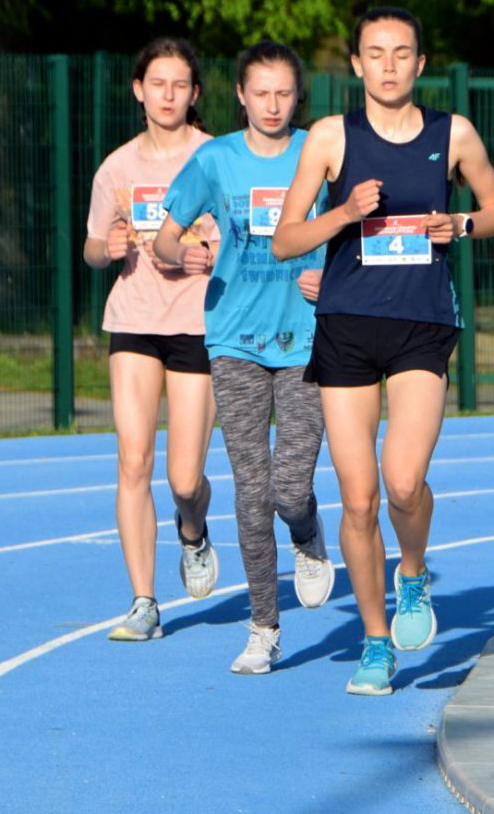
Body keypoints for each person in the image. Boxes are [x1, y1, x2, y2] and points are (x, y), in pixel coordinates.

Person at [272, 7, 494, 695]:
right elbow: (286, 239)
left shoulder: (452, 133)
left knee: (403, 480)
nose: (387, 65)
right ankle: (377, 641)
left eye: (401, 52)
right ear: (355, 64)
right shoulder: (328, 136)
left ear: (421, 63)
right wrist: (343, 214)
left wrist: (461, 222)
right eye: (374, 53)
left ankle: (413, 574)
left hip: (421, 323)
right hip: (346, 322)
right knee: (357, 498)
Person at [154, 40, 335, 675]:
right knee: (250, 492)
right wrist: (187, 256)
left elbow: (361, 227)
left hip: (308, 337)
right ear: (239, 95)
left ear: (297, 97)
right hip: (233, 340)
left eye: (284, 93)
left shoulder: (319, 151)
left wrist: (333, 276)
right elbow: (166, 240)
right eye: (260, 92)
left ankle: (309, 533)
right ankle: (264, 627)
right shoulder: (215, 159)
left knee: (289, 488)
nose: (272, 105)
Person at [84, 37, 220, 642]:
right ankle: (143, 601)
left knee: (184, 479)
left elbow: (252, 238)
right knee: (132, 459)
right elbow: (91, 245)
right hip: (135, 319)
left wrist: (212, 253)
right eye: (156, 84)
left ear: (194, 94)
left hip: (197, 322)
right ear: (138, 90)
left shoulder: (218, 158)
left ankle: (193, 531)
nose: (167, 95)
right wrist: (103, 249)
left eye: (179, 85)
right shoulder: (117, 167)